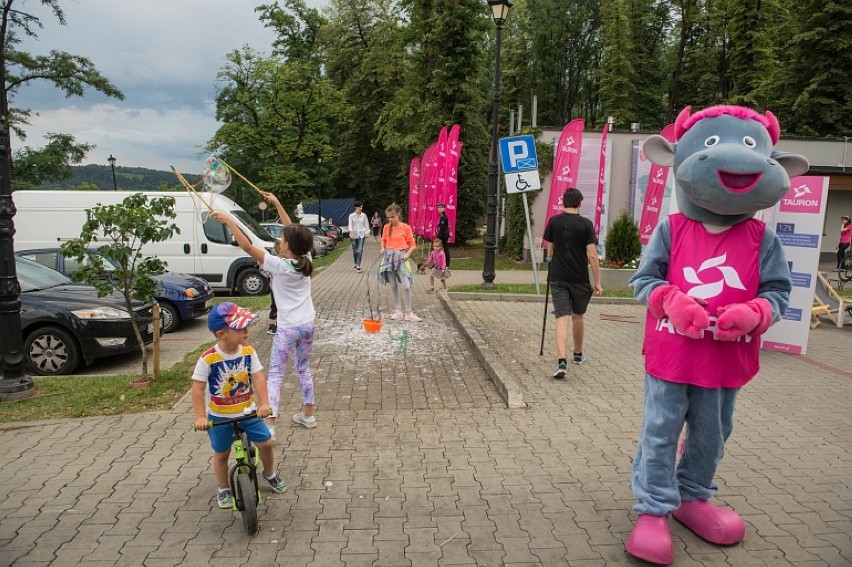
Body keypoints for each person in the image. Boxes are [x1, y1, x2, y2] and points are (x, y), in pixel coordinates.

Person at [213, 193, 318, 436]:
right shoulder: (306, 259)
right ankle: (309, 415)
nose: (280, 239)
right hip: (308, 324)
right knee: (303, 368)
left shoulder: (280, 265)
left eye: (283, 238)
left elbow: (248, 246)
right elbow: (292, 229)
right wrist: (278, 203)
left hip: (288, 327)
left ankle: (269, 425)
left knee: (275, 374)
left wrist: (230, 222)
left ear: (289, 246)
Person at [192, 302, 287, 509]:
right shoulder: (208, 359)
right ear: (222, 334)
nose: (246, 331)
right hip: (219, 416)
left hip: (247, 412)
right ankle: (223, 487)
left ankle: (269, 473)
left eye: (246, 326)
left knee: (266, 444)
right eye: (240, 328)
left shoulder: (248, 351)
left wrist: (264, 404)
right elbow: (198, 388)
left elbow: (258, 378)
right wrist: (200, 417)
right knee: (222, 453)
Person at [542, 187, 603, 379]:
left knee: (562, 317)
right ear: (580, 204)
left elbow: (549, 251)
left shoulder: (554, 221)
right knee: (578, 316)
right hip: (579, 278)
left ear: (563, 203)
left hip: (558, 277)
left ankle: (561, 361)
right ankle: (577, 354)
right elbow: (592, 255)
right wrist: (598, 282)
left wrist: (551, 262)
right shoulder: (586, 224)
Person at [379, 203, 422, 322]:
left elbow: (413, 245)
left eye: (392, 217)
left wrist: (407, 255)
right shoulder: (386, 227)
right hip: (389, 258)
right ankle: (398, 310)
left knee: (407, 286)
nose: (390, 220)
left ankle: (409, 313)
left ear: (398, 214)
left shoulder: (406, 228)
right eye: (388, 217)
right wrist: (382, 248)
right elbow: (383, 240)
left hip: (402, 258)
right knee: (393, 286)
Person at [348, 201, 370, 272]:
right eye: (360, 207)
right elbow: (350, 225)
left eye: (362, 207)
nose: (361, 208)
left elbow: (366, 224)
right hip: (353, 235)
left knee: (359, 250)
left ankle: (358, 265)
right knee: (355, 250)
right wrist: (351, 232)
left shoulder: (363, 215)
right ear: (356, 207)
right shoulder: (351, 216)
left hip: (361, 235)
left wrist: (367, 232)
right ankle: (355, 262)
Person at [436, 203, 451, 267]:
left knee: (445, 250)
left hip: (443, 236)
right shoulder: (442, 216)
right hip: (443, 235)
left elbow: (441, 229)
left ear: (444, 208)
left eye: (441, 207)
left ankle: (446, 265)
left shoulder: (443, 217)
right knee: (439, 250)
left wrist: (438, 238)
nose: (439, 209)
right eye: (438, 207)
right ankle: (439, 264)